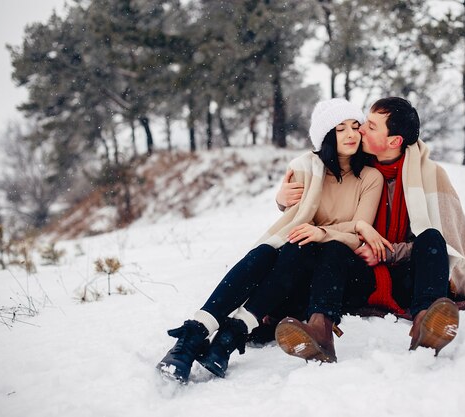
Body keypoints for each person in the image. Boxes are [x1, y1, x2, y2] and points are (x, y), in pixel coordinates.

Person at [156, 98, 384, 383]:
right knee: (267, 252)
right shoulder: (308, 169)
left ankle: (231, 333)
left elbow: (360, 227)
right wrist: (281, 200)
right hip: (300, 262)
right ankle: (199, 333)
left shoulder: (370, 176)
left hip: (340, 270)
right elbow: (294, 217)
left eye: (355, 126)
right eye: (340, 129)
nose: (350, 134)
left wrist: (322, 233)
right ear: (326, 135)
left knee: (320, 247)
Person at [275, 97, 465, 357]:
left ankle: (425, 323)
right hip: (362, 272)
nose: (360, 130)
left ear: (394, 141)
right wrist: (282, 198)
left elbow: (447, 243)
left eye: (370, 126)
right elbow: (318, 198)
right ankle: (321, 330)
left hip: (407, 277)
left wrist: (388, 252)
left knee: (432, 239)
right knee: (334, 249)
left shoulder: (429, 174)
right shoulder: (358, 164)